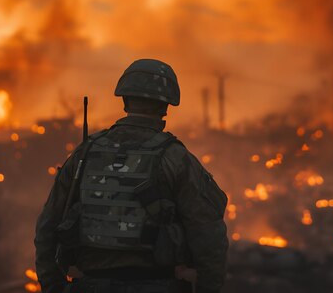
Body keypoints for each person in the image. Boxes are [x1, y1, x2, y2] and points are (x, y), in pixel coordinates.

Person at [34, 59, 229, 293]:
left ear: (125, 100)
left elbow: (47, 228)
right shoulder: (176, 158)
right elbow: (209, 236)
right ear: (166, 106)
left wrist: (54, 287)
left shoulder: (85, 153)